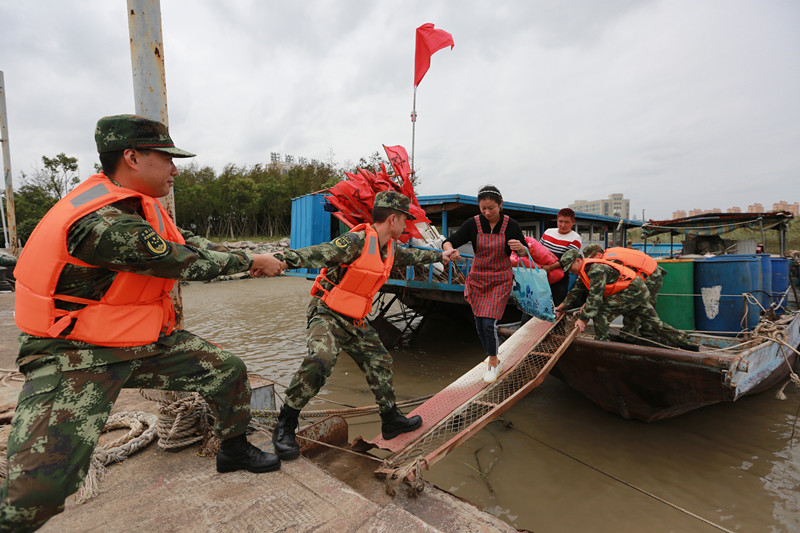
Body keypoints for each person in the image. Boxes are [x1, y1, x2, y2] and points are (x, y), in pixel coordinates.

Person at [0, 115, 285, 532]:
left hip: (138, 340)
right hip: (75, 353)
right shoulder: (104, 222)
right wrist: (252, 260)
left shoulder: (139, 204)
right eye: (166, 158)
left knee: (227, 370)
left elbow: (186, 241)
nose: (174, 168)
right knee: (37, 494)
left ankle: (235, 449)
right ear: (132, 157)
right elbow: (185, 261)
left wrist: (239, 253)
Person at [269, 191, 458, 460]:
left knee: (379, 360)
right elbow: (318, 253)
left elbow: (417, 256)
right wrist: (278, 260)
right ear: (393, 219)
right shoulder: (356, 241)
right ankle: (285, 425)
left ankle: (390, 420)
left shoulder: (391, 249)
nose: (406, 226)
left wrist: (443, 257)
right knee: (321, 360)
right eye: (404, 219)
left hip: (354, 319)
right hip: (327, 313)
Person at [442, 185, 527, 383]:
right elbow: (448, 241)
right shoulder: (473, 224)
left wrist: (521, 248)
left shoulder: (511, 225)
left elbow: (524, 252)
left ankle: (494, 361)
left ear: (500, 205)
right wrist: (449, 251)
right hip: (478, 278)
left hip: (500, 279)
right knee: (479, 324)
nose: (487, 212)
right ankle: (491, 354)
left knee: (489, 323)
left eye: (491, 208)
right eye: (483, 209)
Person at [554, 249, 698, 350]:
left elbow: (595, 298)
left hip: (632, 292)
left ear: (578, 260)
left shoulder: (596, 269)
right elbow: (576, 292)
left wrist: (583, 318)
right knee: (653, 321)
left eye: (570, 266)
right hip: (637, 291)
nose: (570, 270)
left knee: (600, 312)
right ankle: (685, 341)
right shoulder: (584, 270)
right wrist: (561, 306)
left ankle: (602, 344)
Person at [540, 208, 582, 306]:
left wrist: (549, 268)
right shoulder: (548, 232)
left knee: (557, 307)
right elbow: (539, 250)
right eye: (560, 221)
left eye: (567, 222)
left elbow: (566, 260)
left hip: (559, 279)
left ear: (573, 222)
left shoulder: (575, 238)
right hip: (542, 276)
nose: (563, 225)